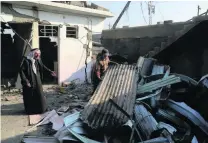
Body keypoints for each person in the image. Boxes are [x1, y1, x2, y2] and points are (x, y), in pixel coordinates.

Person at [20, 48, 56, 115]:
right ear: (33, 53)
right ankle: (30, 111)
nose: (38, 55)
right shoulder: (26, 61)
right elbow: (21, 72)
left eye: (39, 54)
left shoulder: (38, 60)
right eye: (37, 53)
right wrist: (26, 81)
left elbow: (43, 66)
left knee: (39, 95)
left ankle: (41, 109)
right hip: (29, 81)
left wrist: (50, 71)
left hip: (37, 79)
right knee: (30, 95)